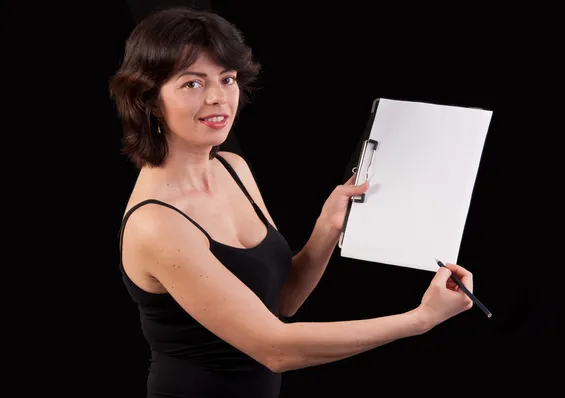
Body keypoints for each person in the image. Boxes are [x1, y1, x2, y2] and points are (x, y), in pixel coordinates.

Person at [110, 6, 475, 398]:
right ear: (148, 99)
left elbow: (282, 302)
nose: (218, 97)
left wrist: (326, 228)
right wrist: (420, 320)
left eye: (227, 79)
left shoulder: (232, 168)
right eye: (192, 84)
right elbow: (275, 347)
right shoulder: (157, 224)